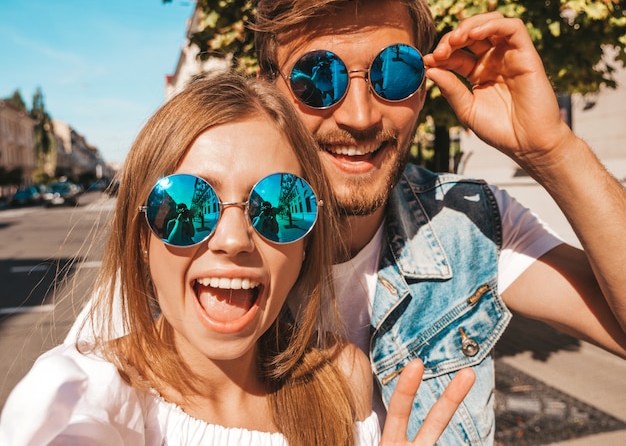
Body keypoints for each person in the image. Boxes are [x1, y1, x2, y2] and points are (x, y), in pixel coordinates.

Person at [0, 72, 475, 445]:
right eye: (185, 205)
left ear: (307, 241)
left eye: (279, 205)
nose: (233, 240)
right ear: (141, 235)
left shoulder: (339, 378)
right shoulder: (85, 393)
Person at [252, 0, 626, 443]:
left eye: (394, 72)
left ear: (424, 89)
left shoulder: (469, 221)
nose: (360, 116)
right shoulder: (203, 241)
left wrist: (551, 150)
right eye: (317, 77)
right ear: (266, 90)